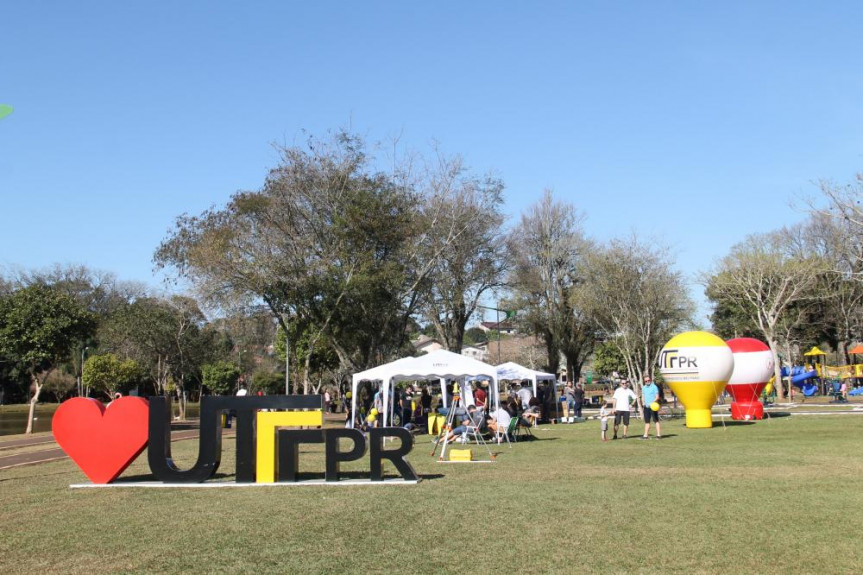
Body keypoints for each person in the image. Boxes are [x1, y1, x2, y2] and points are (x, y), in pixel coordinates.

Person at [640, 375, 662, 440]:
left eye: (648, 380)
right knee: (647, 422)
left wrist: (652, 403)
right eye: (646, 381)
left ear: (650, 380)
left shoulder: (654, 387)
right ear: (644, 381)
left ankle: (658, 435)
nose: (647, 382)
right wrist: (643, 402)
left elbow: (657, 397)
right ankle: (645, 435)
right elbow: (643, 395)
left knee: (656, 420)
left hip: (653, 406)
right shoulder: (643, 387)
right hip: (646, 407)